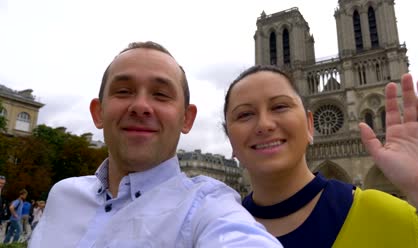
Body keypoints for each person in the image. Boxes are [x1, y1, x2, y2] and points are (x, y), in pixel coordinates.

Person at [29, 42, 281, 247]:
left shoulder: (208, 207)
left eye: (161, 94)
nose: (140, 106)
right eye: (123, 91)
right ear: (98, 112)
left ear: (187, 118)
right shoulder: (63, 195)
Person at [222, 65, 418, 247]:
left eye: (280, 106)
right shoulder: (213, 228)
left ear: (310, 125)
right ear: (230, 140)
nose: (264, 124)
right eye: (244, 114)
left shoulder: (384, 214)